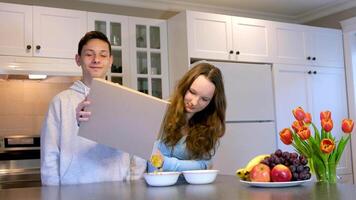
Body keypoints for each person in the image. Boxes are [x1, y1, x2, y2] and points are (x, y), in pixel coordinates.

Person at [41, 31, 146, 185]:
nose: (96, 60)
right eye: (89, 54)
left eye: (103, 55)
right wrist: (52, 192)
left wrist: (134, 186)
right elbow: (49, 155)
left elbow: (137, 152)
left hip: (117, 189)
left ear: (110, 61)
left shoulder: (126, 100)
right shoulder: (61, 102)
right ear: (78, 59)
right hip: (73, 190)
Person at [148, 62, 226, 172]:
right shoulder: (161, 112)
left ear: (212, 103)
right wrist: (198, 165)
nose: (194, 102)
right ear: (185, 87)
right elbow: (152, 163)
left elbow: (207, 164)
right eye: (192, 92)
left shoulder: (208, 124)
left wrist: (166, 163)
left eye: (204, 99)